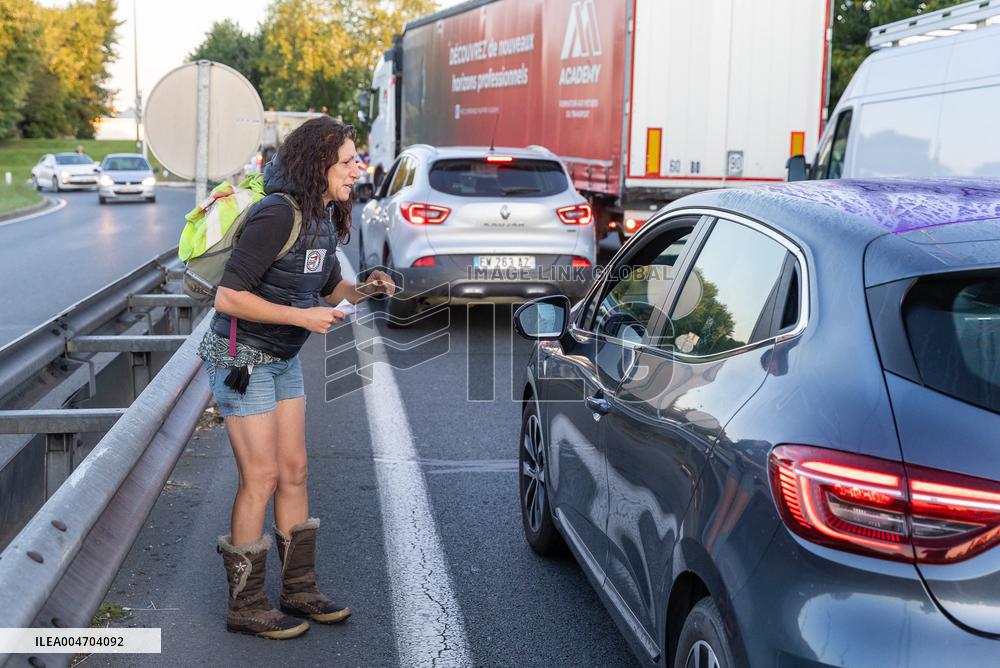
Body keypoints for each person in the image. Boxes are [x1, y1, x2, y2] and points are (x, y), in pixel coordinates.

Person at [197, 117, 394, 639]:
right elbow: (229, 297)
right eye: (348, 161)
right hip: (241, 358)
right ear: (317, 165)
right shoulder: (277, 215)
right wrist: (302, 319)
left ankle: (299, 590)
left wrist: (366, 288)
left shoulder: (322, 219)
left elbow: (330, 290)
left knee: (296, 472)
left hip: (281, 358)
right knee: (260, 477)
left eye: (357, 160)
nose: (358, 169)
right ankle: (247, 605)